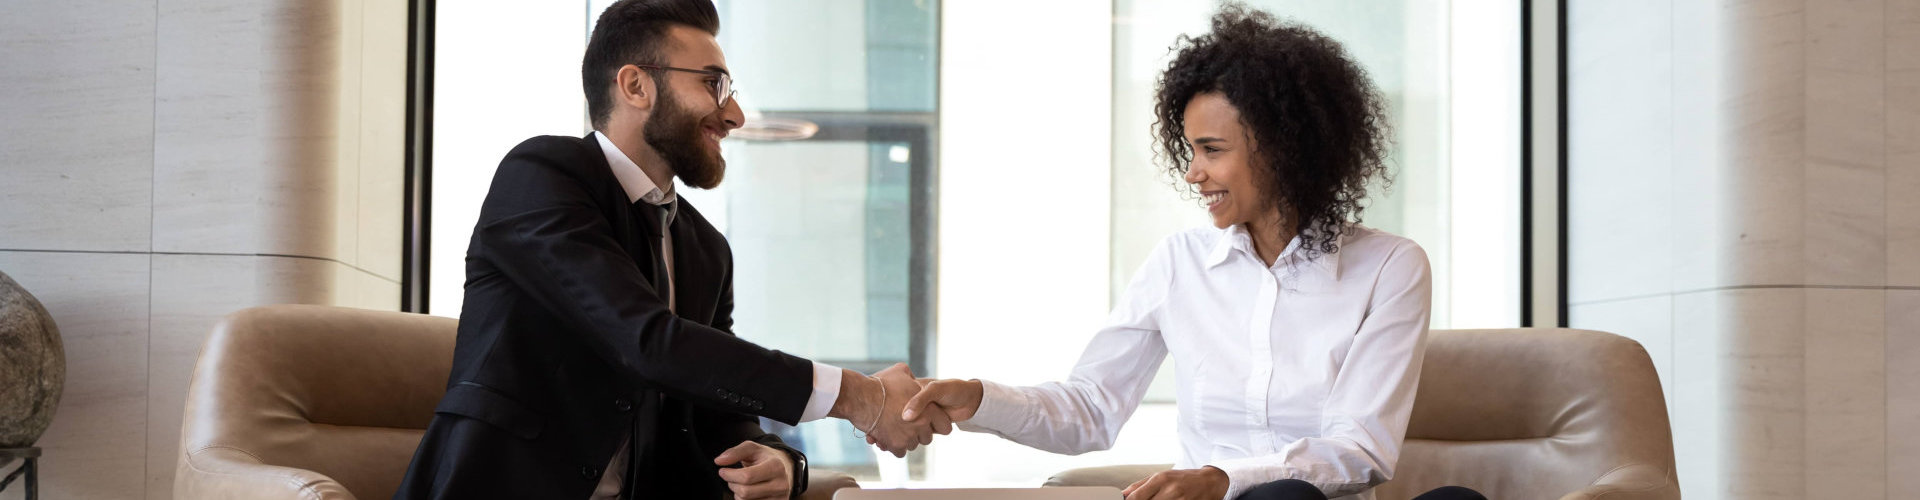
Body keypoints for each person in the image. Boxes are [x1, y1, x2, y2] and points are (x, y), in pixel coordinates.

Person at [901, 5, 1483, 500]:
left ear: (1284, 148)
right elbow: (1090, 408)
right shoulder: (1178, 263)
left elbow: (1359, 449)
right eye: (1190, 150)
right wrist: (978, 399)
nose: (1193, 173)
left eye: (1211, 150)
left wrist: (1222, 478)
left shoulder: (1390, 267)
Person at [393, 1, 942, 499]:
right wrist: (858, 396)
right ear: (635, 85)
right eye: (713, 84)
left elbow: (713, 405)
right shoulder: (541, 176)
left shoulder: (705, 249)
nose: (734, 116)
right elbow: (647, 342)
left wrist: (779, 459)